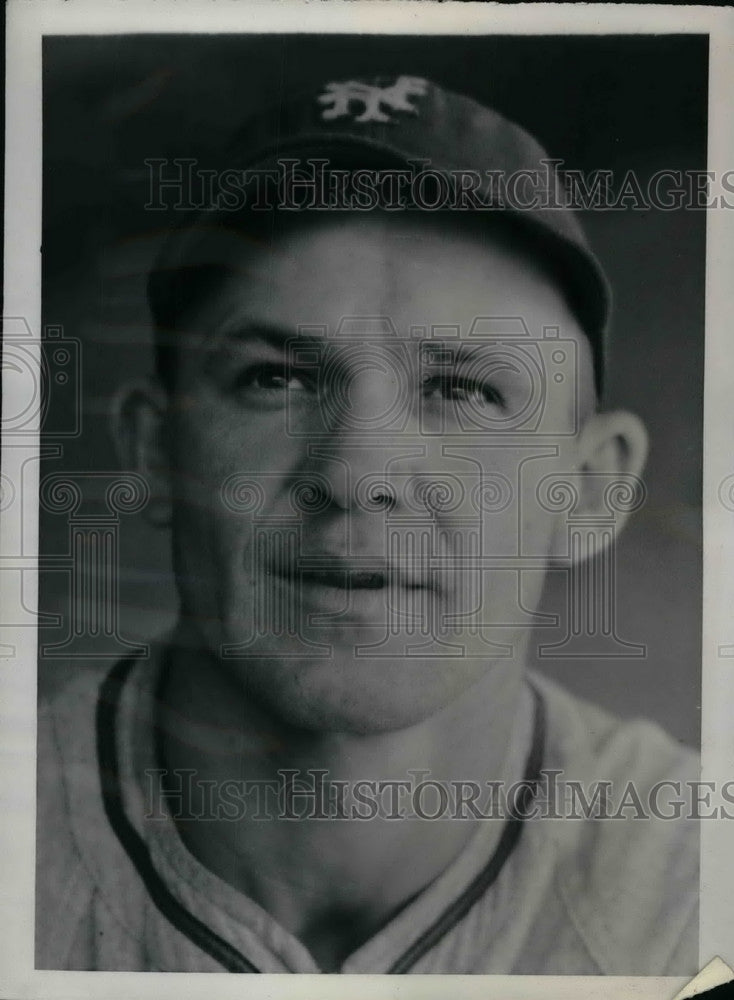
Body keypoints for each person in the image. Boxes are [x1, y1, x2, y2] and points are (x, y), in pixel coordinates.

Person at [36, 75, 698, 974]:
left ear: (587, 490)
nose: (356, 473)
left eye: (464, 389)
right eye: (274, 378)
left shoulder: (697, 892)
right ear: (156, 453)